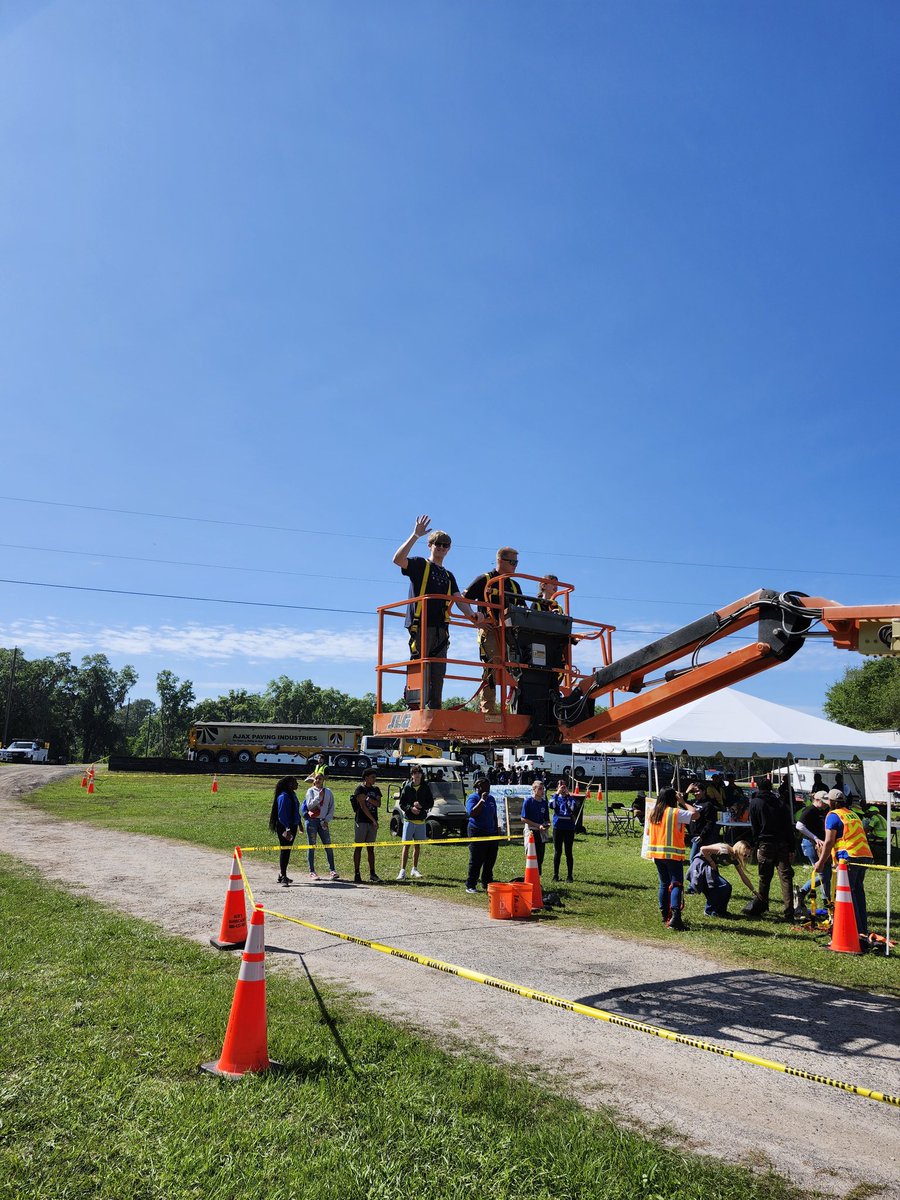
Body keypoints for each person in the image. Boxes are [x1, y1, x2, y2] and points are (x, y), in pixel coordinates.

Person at [392, 515, 481, 710]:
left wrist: (474, 616)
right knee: (420, 666)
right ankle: (414, 708)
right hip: (422, 625)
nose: (441, 547)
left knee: (438, 672)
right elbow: (398, 559)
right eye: (437, 544)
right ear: (430, 545)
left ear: (449, 549)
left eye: (445, 545)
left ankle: (434, 710)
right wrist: (415, 535)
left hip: (442, 628)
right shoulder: (420, 564)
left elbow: (459, 601)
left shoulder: (449, 575)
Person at [464, 547, 526, 714]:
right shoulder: (485, 579)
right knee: (492, 667)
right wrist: (475, 620)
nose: (515, 566)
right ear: (500, 561)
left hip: (511, 634)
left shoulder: (514, 585)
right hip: (490, 631)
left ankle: (515, 711)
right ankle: (488, 712)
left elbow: (523, 610)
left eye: (517, 562)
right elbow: (463, 599)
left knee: (517, 669)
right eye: (512, 562)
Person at [814, 789, 873, 936]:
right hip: (863, 855)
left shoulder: (833, 816)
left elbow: (828, 842)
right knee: (858, 893)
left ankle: (856, 931)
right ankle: (862, 929)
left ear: (832, 803)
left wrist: (820, 862)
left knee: (848, 895)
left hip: (848, 857)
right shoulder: (852, 814)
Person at [646, 787, 698, 930]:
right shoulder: (675, 812)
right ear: (673, 799)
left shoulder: (653, 812)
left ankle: (664, 913)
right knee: (676, 884)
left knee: (664, 883)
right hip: (672, 854)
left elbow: (648, 832)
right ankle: (675, 916)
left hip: (657, 853)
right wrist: (683, 801)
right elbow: (695, 815)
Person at [744, 775, 795, 920]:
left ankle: (762, 905)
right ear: (771, 788)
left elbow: (754, 826)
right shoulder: (780, 803)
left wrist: (755, 844)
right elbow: (788, 827)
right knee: (786, 878)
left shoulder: (755, 803)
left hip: (765, 843)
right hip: (782, 844)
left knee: (764, 878)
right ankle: (789, 910)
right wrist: (792, 847)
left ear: (758, 788)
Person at [688, 840, 759, 917]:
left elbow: (743, 876)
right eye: (745, 855)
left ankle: (721, 911)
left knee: (727, 888)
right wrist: (711, 862)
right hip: (701, 864)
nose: (746, 857)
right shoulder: (724, 850)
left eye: (748, 856)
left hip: (710, 868)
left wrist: (754, 891)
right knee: (723, 886)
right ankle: (709, 911)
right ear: (739, 850)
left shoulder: (733, 859)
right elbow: (703, 849)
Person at [794, 790, 831, 911]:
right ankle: (802, 891)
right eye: (824, 802)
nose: (826, 804)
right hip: (810, 845)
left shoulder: (822, 810)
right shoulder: (809, 810)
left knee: (825, 874)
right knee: (824, 875)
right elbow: (799, 826)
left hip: (819, 845)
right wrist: (815, 838)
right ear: (817, 800)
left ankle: (827, 900)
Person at [397, 764, 432, 880]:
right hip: (409, 820)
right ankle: (402, 871)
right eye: (414, 774)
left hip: (421, 821)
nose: (417, 776)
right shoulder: (407, 787)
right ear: (412, 775)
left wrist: (422, 806)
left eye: (419, 774)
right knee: (406, 846)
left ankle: (414, 869)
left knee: (417, 846)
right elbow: (402, 803)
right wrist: (410, 808)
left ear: (422, 775)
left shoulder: (426, 787)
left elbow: (430, 803)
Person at [465, 776, 499, 894]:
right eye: (485, 787)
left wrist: (496, 829)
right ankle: (471, 884)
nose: (487, 790)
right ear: (479, 787)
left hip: (491, 832)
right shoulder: (473, 798)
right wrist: (482, 800)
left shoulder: (492, 799)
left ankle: (487, 882)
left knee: (490, 859)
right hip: (477, 831)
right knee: (476, 859)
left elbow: (494, 815)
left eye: (489, 787)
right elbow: (472, 813)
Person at [303, 774, 338, 881]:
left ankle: (332, 870)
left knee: (328, 845)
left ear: (323, 780)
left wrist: (327, 820)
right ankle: (312, 871)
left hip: (323, 822)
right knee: (312, 846)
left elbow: (331, 807)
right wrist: (319, 797)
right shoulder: (310, 791)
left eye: (320, 779)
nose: (318, 780)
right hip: (312, 821)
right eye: (316, 778)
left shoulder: (328, 791)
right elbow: (309, 806)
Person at [268, 775, 300, 886]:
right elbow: (282, 815)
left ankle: (283, 874)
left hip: (293, 825)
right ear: (289, 784)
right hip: (284, 826)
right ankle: (283, 875)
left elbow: (296, 810)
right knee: (284, 850)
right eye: (295, 782)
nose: (297, 784)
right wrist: (287, 829)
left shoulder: (293, 795)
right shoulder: (284, 796)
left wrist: (299, 824)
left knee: (288, 850)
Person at [352, 768, 382, 883]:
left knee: (371, 849)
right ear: (366, 778)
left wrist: (368, 798)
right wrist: (373, 820)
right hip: (362, 821)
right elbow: (363, 806)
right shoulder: (359, 789)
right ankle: (357, 873)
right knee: (358, 847)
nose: (375, 779)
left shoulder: (376, 790)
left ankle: (372, 873)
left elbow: (378, 804)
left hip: (372, 823)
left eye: (375, 777)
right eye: (372, 777)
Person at [550, 777, 578, 882]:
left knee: (568, 852)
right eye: (560, 786)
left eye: (564, 786)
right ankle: (555, 875)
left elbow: (573, 808)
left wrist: (568, 795)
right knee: (558, 852)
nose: (562, 788)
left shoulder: (570, 798)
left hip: (569, 828)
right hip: (558, 827)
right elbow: (551, 805)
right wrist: (557, 793)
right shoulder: (554, 797)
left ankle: (569, 876)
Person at [521, 778, 551, 874]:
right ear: (534, 790)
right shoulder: (528, 801)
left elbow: (546, 819)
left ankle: (537, 877)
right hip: (530, 831)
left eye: (543, 789)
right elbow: (523, 818)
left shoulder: (544, 803)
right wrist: (538, 825)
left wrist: (547, 825)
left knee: (540, 855)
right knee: (531, 855)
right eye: (540, 789)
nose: (543, 791)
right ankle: (530, 876)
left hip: (541, 832)